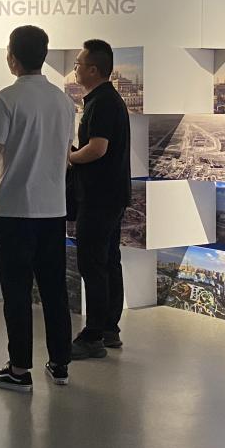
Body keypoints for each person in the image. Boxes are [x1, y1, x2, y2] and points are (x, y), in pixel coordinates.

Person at [0, 26, 76, 392]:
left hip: (15, 210)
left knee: (16, 293)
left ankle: (19, 369)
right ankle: (60, 363)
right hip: (53, 210)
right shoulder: (64, 102)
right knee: (54, 290)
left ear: (13, 58)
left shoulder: (6, 99)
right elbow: (64, 155)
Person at [66, 40, 132, 360]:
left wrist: (69, 158)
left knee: (93, 263)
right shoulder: (107, 99)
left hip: (98, 197)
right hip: (111, 195)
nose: (75, 69)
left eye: (78, 64)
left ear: (93, 69)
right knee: (108, 261)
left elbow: (97, 148)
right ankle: (108, 329)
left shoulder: (102, 102)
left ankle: (93, 335)